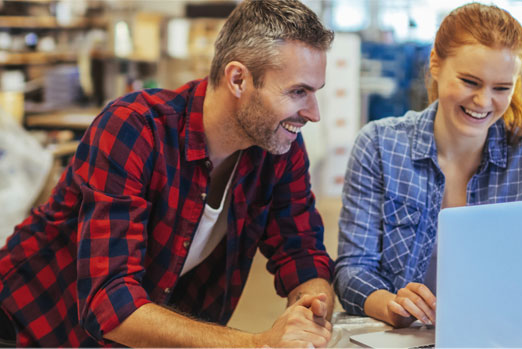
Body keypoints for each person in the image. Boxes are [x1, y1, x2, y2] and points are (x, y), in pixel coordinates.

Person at [0, 1, 336, 347]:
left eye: (315, 92)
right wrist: (257, 343)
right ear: (238, 79)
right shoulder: (133, 130)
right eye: (299, 92)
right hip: (31, 327)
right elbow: (111, 304)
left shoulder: (278, 146)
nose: (313, 113)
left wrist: (310, 309)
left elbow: (302, 251)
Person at [334, 3, 522, 329]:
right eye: (470, 81)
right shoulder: (378, 146)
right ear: (436, 64)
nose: (484, 102)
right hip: (398, 335)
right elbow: (352, 269)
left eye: (501, 88)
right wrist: (392, 306)